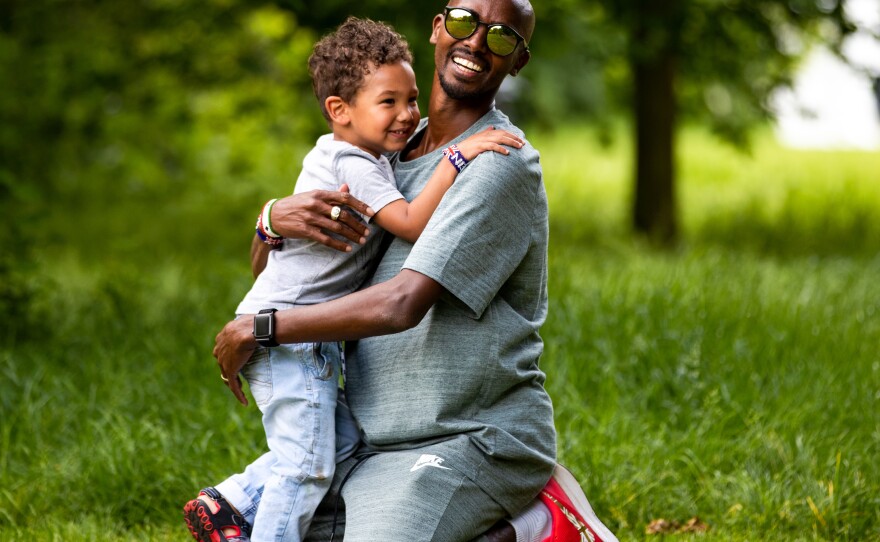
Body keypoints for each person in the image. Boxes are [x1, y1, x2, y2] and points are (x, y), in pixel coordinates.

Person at [208, 1, 619, 541]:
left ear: (518, 61)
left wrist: (260, 329)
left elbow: (402, 304)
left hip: (466, 438)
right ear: (438, 28)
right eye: (466, 21)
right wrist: (270, 221)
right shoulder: (379, 150)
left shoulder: (496, 160)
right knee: (245, 523)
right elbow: (281, 274)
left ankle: (537, 523)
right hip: (366, 442)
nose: (476, 42)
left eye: (501, 36)